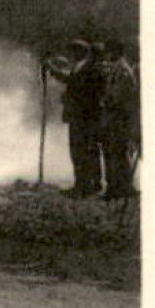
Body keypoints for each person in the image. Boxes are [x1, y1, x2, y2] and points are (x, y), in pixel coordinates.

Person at [45, 39, 105, 198]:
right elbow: (73, 82)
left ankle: (89, 184)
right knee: (80, 150)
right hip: (79, 115)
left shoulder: (89, 68)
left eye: (74, 51)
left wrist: (54, 70)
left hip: (85, 115)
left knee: (85, 150)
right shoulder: (81, 66)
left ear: (81, 52)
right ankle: (84, 183)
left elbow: (76, 84)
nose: (72, 55)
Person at [95, 39, 140, 200]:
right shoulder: (116, 68)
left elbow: (119, 96)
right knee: (111, 152)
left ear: (115, 51)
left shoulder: (123, 70)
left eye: (109, 51)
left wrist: (105, 101)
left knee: (118, 153)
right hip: (112, 117)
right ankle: (114, 187)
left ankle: (121, 188)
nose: (107, 55)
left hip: (119, 117)